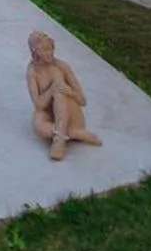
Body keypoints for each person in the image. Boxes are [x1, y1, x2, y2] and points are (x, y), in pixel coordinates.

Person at [26, 31, 102, 161]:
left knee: (59, 87)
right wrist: (52, 88)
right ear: (35, 51)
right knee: (38, 126)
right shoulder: (32, 71)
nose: (49, 53)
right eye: (44, 50)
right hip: (49, 111)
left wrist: (68, 91)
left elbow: (82, 100)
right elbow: (39, 105)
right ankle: (72, 133)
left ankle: (60, 139)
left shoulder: (61, 67)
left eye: (51, 49)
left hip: (69, 109)